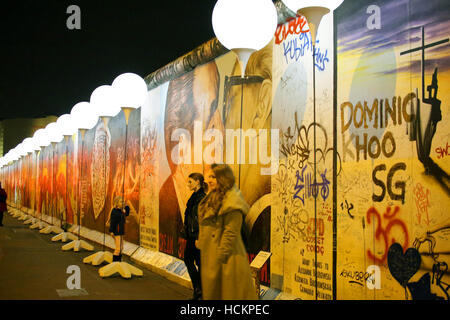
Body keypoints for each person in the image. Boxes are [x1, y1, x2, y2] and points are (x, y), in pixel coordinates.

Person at [196, 164, 257, 300]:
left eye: (214, 177)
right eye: (209, 176)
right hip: (211, 257)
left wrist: (219, 258)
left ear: (223, 179)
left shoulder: (232, 201)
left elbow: (231, 233)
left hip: (227, 261)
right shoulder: (211, 197)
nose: (209, 180)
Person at [181, 173, 207, 300]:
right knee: (196, 262)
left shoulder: (202, 198)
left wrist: (199, 237)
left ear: (197, 182)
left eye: (190, 182)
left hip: (197, 236)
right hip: (192, 235)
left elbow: (201, 220)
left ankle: (199, 290)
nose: (188, 184)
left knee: (192, 261)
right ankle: (199, 290)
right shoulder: (195, 197)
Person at [109, 196, 130, 262]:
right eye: (121, 202)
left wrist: (126, 206)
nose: (123, 203)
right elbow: (112, 221)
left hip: (121, 231)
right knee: (118, 248)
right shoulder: (114, 211)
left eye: (123, 201)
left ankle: (119, 261)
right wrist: (111, 231)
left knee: (121, 248)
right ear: (116, 203)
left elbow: (126, 214)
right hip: (116, 231)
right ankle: (115, 262)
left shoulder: (122, 210)